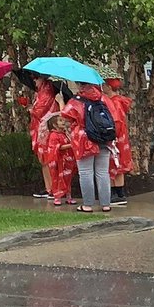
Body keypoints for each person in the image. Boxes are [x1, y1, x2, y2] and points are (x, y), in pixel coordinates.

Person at [61, 81, 116, 212]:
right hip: (104, 138)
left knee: (85, 172)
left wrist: (60, 101)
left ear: (80, 85)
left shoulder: (77, 101)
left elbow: (65, 115)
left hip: (84, 140)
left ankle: (87, 205)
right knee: (103, 172)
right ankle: (106, 204)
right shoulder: (104, 99)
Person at [29, 77, 63, 198]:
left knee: (48, 160)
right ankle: (48, 187)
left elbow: (39, 111)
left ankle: (53, 188)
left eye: (36, 78)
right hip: (41, 130)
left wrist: (31, 110)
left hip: (45, 131)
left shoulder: (47, 92)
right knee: (43, 160)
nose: (34, 81)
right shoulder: (41, 92)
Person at [103, 72, 134, 205]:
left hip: (115, 137)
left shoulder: (114, 102)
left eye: (104, 85)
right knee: (113, 163)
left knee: (116, 163)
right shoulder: (115, 101)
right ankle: (115, 191)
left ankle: (118, 193)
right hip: (117, 137)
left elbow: (117, 121)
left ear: (109, 87)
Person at [42, 115, 78, 206]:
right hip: (58, 162)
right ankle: (57, 197)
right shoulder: (53, 135)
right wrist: (72, 145)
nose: (63, 122)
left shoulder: (64, 134)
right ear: (54, 124)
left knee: (68, 179)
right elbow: (57, 147)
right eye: (60, 121)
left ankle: (68, 196)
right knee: (57, 179)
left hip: (67, 161)